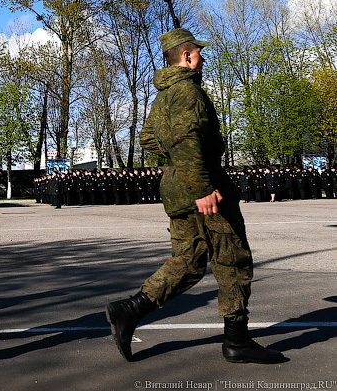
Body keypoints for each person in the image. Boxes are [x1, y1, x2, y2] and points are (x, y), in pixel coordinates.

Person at [105, 28, 285, 364]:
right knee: (233, 260)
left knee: (188, 263)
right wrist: (201, 186)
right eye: (198, 53)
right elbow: (186, 139)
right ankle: (237, 342)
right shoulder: (187, 92)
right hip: (204, 188)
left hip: (178, 188)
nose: (203, 58)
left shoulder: (163, 97)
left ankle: (130, 309)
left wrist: (176, 167)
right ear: (187, 57)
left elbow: (148, 140)